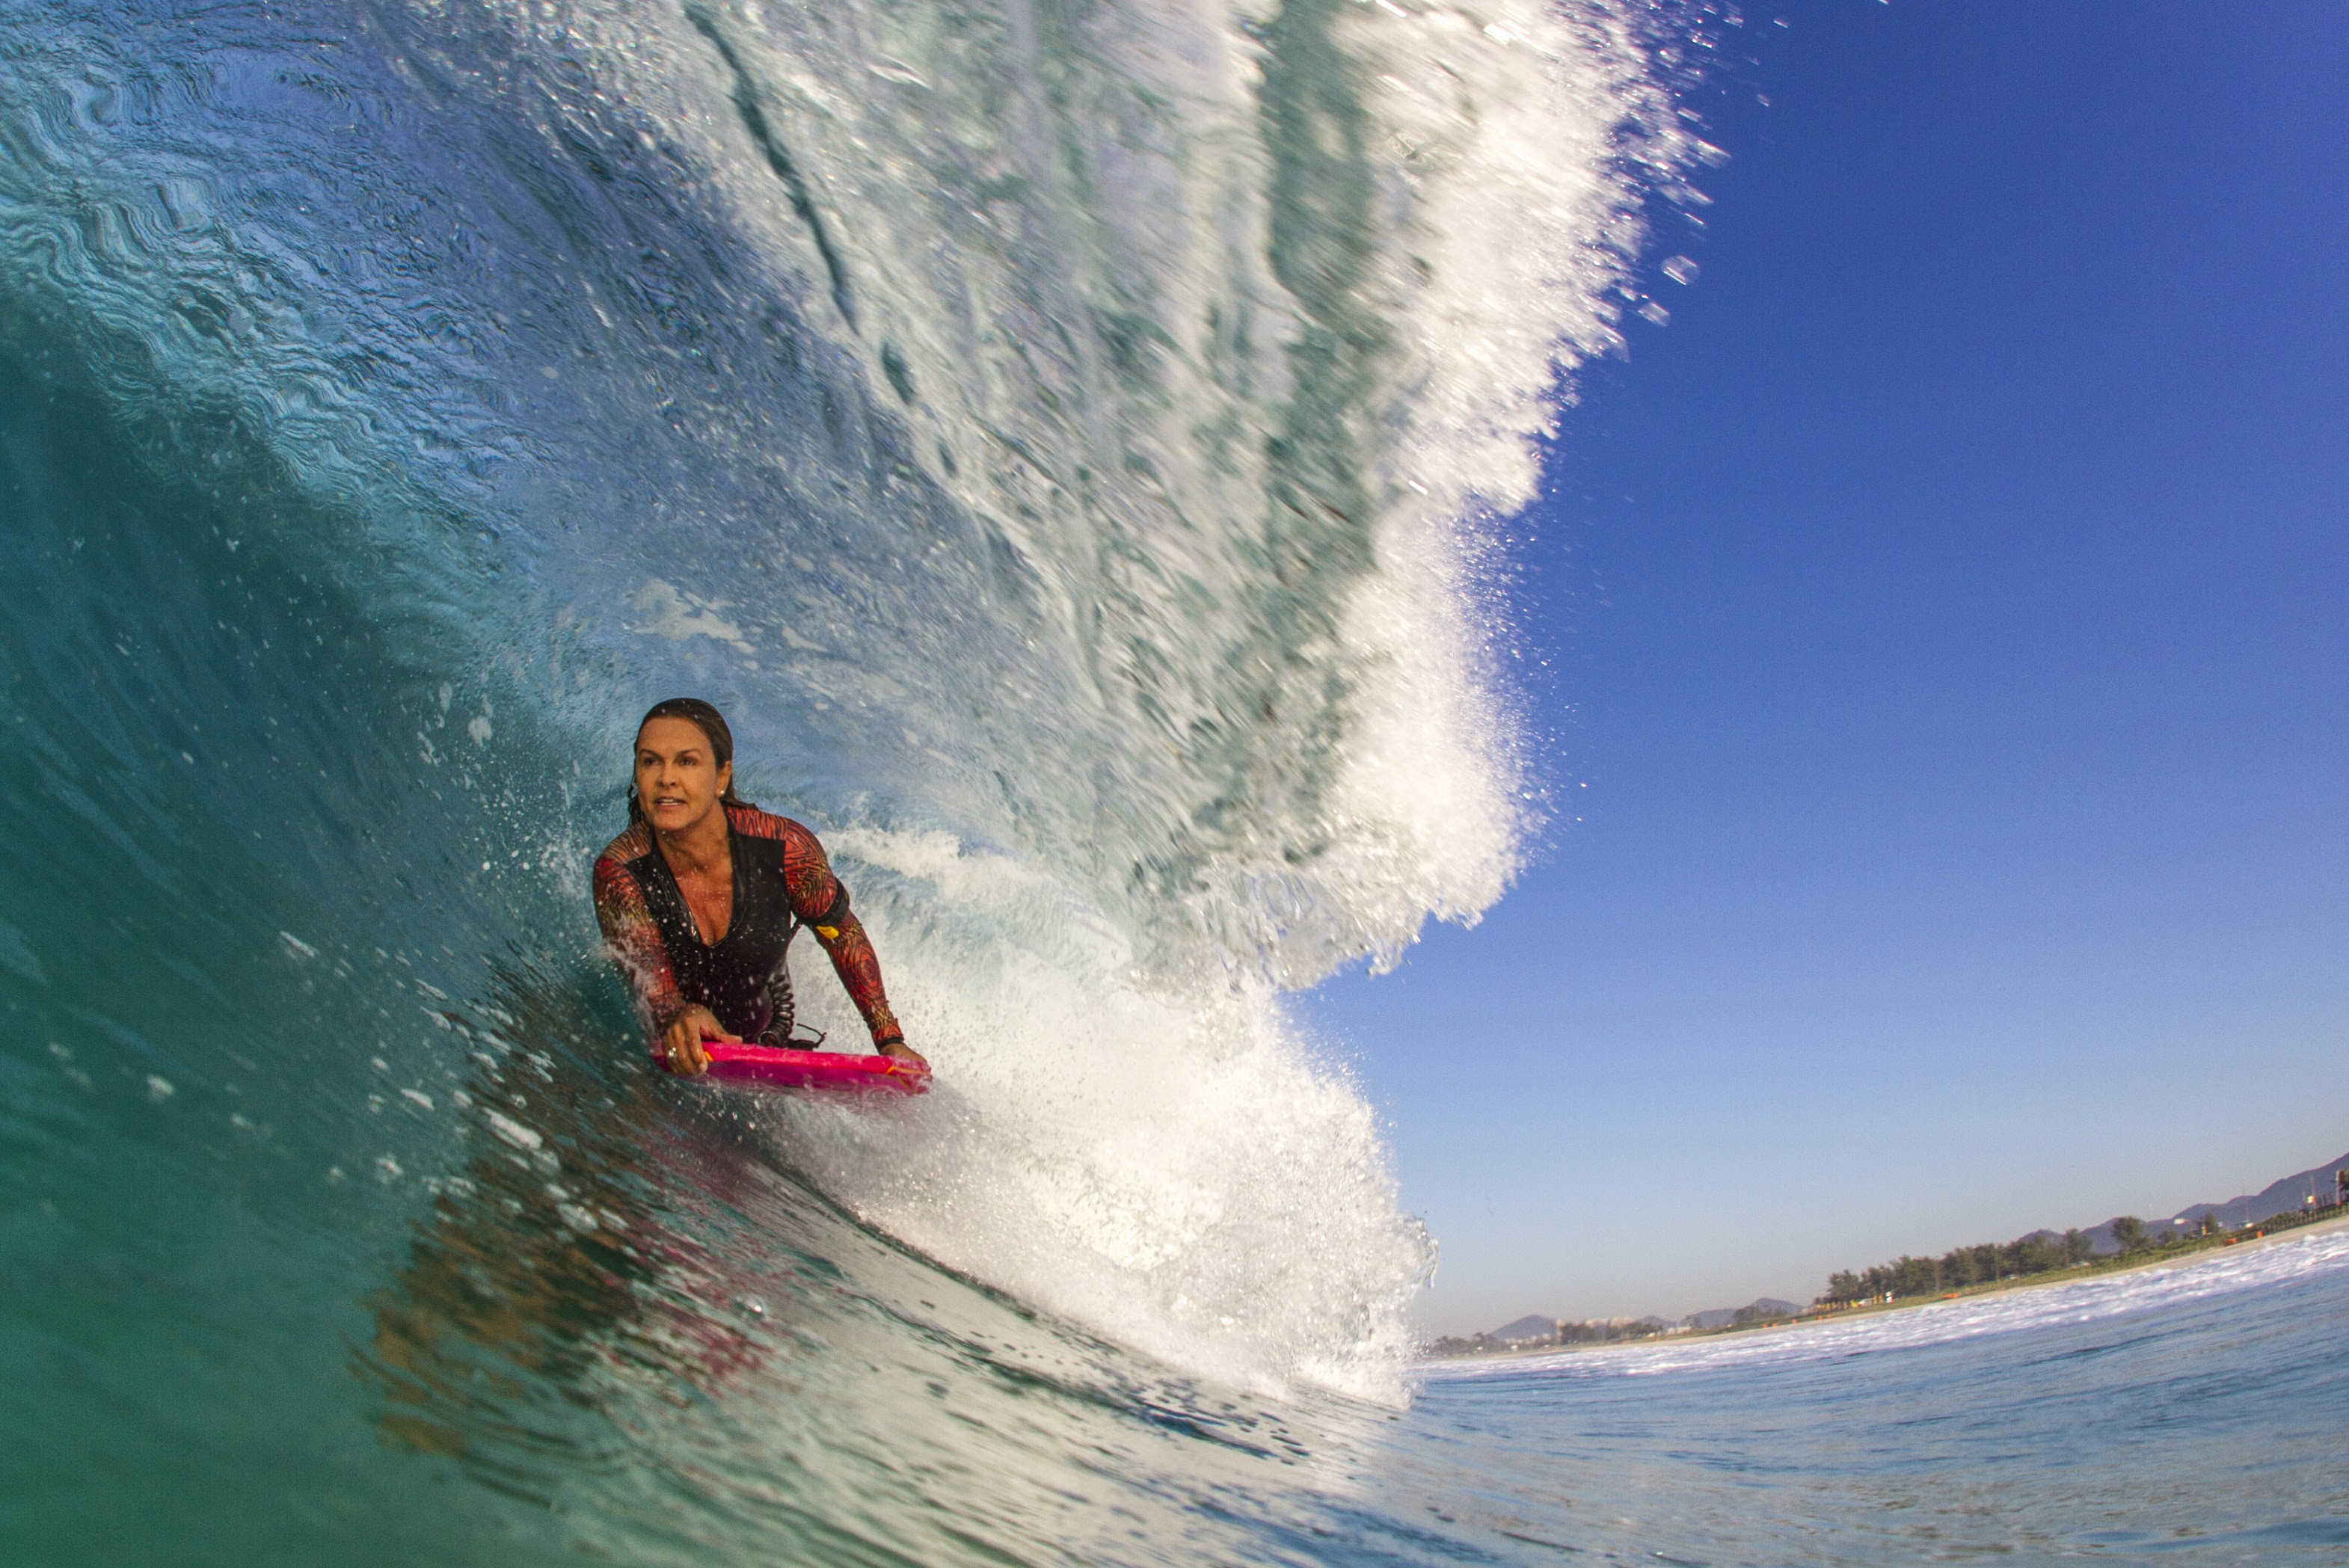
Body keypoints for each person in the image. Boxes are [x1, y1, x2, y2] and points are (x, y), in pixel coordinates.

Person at [593, 698, 924, 1076]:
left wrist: (889, 1039)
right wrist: (675, 1015)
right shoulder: (620, 872)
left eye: (687, 762)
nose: (666, 777)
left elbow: (841, 933)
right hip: (679, 1038)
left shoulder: (786, 850)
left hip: (769, 1025)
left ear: (721, 776)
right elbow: (649, 977)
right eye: (650, 761)